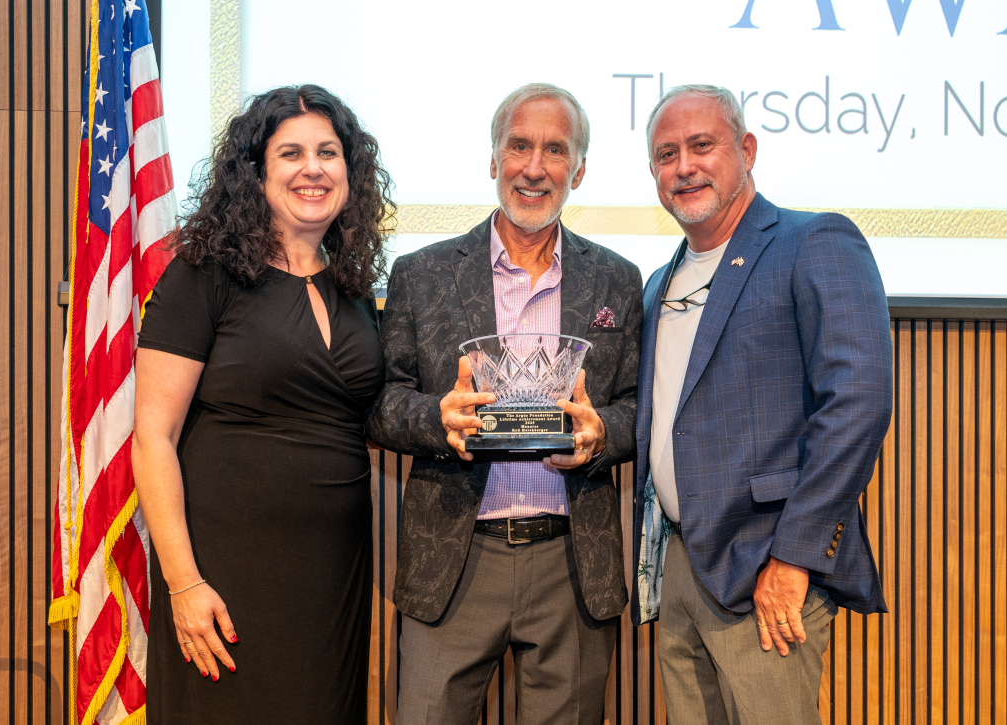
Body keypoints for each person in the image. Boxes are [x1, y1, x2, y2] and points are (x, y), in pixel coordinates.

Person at [367, 83, 644, 725]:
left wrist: (602, 433)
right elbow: (382, 404)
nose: (534, 166)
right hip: (455, 562)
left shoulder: (617, 279)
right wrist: (437, 419)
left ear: (579, 169)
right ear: (494, 158)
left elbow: (636, 408)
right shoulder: (423, 272)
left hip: (571, 563)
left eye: (555, 150)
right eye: (519, 145)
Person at [631, 84, 893, 724]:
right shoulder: (658, 283)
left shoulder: (814, 242)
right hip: (680, 569)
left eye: (702, 146)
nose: (684, 166)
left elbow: (858, 402)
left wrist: (795, 556)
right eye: (667, 154)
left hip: (767, 572)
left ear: (746, 149)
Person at [131, 84, 392, 724]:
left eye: (329, 153)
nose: (313, 169)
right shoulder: (204, 272)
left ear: (350, 172)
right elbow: (152, 439)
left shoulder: (355, 286)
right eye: (291, 153)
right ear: (256, 171)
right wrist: (184, 584)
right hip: (223, 574)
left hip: (332, 579)